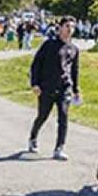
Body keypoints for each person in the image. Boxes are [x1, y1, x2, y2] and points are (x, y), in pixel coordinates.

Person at [28, 16, 81, 160]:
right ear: (60, 28)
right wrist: (35, 83)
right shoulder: (49, 45)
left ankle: (59, 148)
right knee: (43, 116)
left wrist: (76, 89)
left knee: (63, 117)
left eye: (72, 27)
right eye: (67, 26)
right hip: (47, 87)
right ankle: (33, 137)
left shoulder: (74, 49)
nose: (70, 30)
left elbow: (75, 70)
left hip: (65, 88)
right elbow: (36, 64)